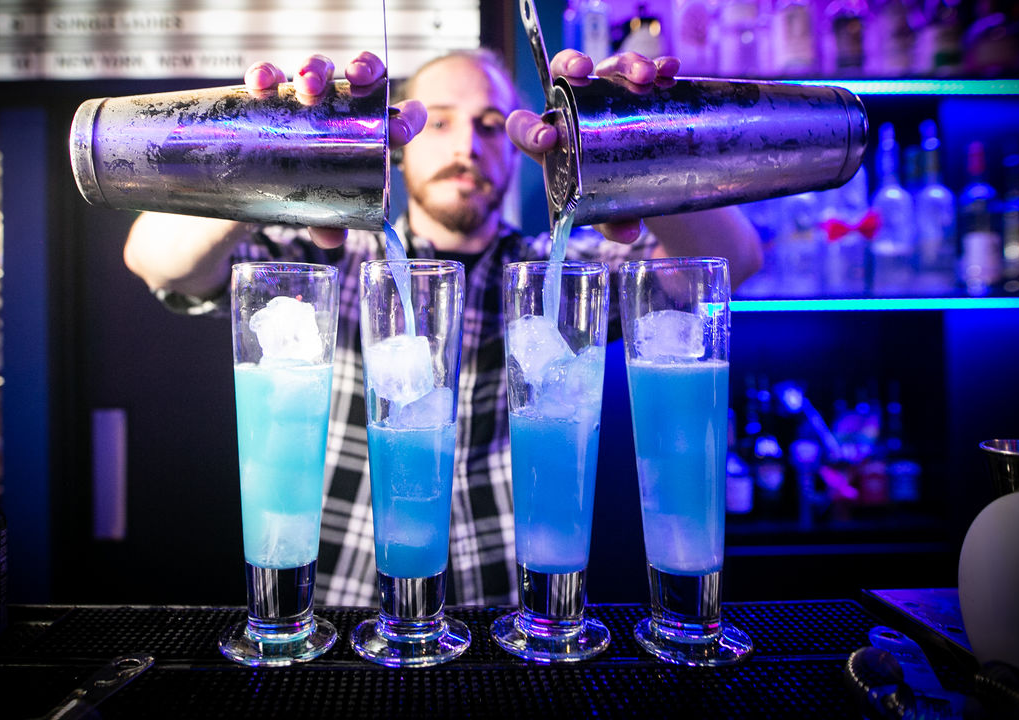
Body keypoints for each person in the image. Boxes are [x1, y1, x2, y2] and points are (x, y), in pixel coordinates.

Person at [123, 47, 763, 607]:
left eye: (490, 127)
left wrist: (637, 143)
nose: (465, 147)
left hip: (518, 621)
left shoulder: (557, 275)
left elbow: (733, 265)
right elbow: (157, 260)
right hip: (349, 617)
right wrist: (273, 144)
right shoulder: (327, 259)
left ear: (520, 154)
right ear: (396, 148)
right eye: (442, 122)